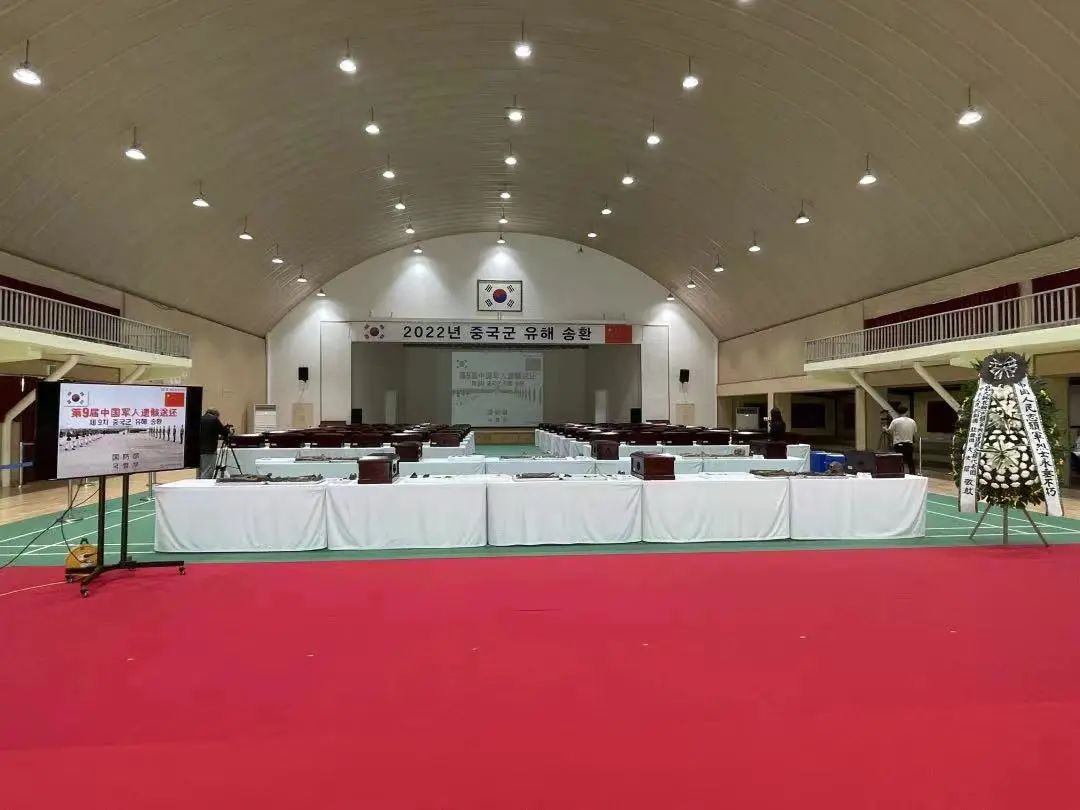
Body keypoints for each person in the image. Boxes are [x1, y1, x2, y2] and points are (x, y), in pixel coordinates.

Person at [884, 404, 918, 475]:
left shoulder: (895, 421)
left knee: (899, 461)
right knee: (910, 461)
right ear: (907, 412)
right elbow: (914, 433)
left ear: (898, 412)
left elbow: (889, 431)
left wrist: (885, 429)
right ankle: (913, 474)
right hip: (909, 444)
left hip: (898, 444)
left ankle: (899, 474)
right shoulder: (912, 421)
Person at [198, 408, 231, 478]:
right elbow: (224, 432)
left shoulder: (199, 418)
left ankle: (199, 484)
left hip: (199, 450)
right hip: (209, 450)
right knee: (207, 472)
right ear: (215, 414)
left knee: (200, 472)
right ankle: (205, 485)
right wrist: (227, 430)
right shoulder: (214, 419)